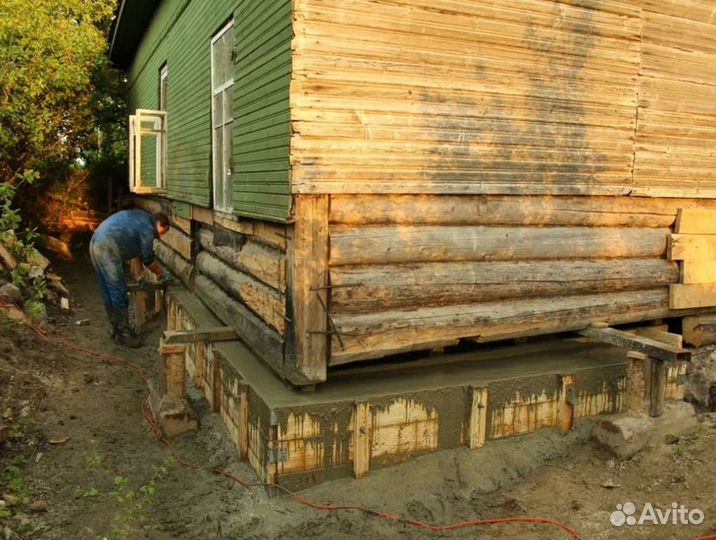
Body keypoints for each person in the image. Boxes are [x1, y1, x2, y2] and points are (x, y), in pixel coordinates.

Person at [89, 209, 172, 347]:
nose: (160, 237)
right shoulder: (148, 228)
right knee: (118, 290)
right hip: (107, 246)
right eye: (162, 232)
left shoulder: (141, 219)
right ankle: (124, 335)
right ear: (159, 224)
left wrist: (140, 277)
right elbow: (147, 259)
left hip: (96, 242)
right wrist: (162, 274)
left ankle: (115, 329)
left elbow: (137, 253)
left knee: (107, 288)